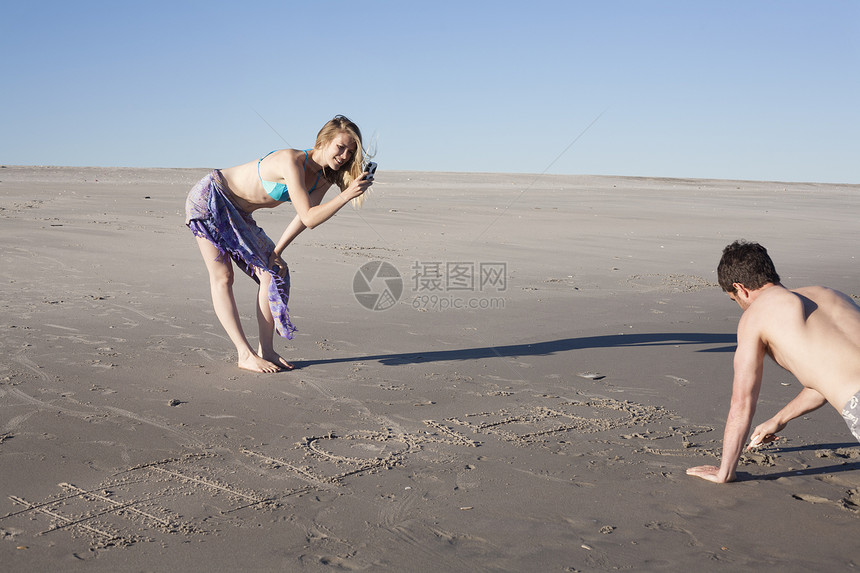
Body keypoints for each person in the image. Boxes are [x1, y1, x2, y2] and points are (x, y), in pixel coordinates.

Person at [185, 115, 374, 373]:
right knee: (223, 277)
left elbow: (305, 218)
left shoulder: (324, 177)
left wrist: (278, 250)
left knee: (275, 272)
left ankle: (267, 351)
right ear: (323, 141)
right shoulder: (291, 161)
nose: (344, 156)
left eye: (350, 152)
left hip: (240, 216)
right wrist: (346, 195)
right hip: (211, 197)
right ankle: (244, 354)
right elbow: (309, 217)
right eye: (340, 147)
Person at [687, 240, 860, 483]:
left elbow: (742, 402)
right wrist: (778, 420)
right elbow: (830, 381)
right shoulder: (830, 294)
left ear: (740, 288)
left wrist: (724, 471)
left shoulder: (755, 317)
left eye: (733, 298)